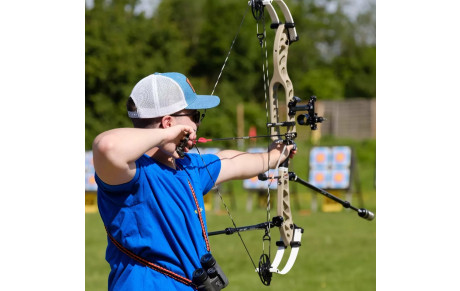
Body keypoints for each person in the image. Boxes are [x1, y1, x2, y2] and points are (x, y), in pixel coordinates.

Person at [92, 72, 296, 290]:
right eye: (195, 115)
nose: (198, 124)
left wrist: (275, 156)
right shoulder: (131, 174)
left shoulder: (188, 167)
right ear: (168, 122)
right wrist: (166, 136)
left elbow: (229, 161)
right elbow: (107, 146)